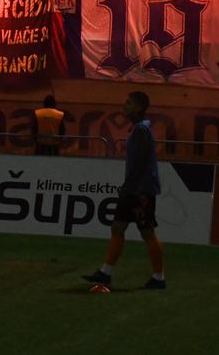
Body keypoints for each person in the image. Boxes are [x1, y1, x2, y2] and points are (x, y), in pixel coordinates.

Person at [82, 91, 166, 290]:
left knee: (147, 232)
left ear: (138, 107)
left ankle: (159, 277)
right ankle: (105, 272)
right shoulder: (139, 129)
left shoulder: (141, 131)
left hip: (140, 191)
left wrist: (130, 188)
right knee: (118, 227)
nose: (124, 106)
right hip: (137, 188)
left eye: (128, 103)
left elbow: (140, 162)